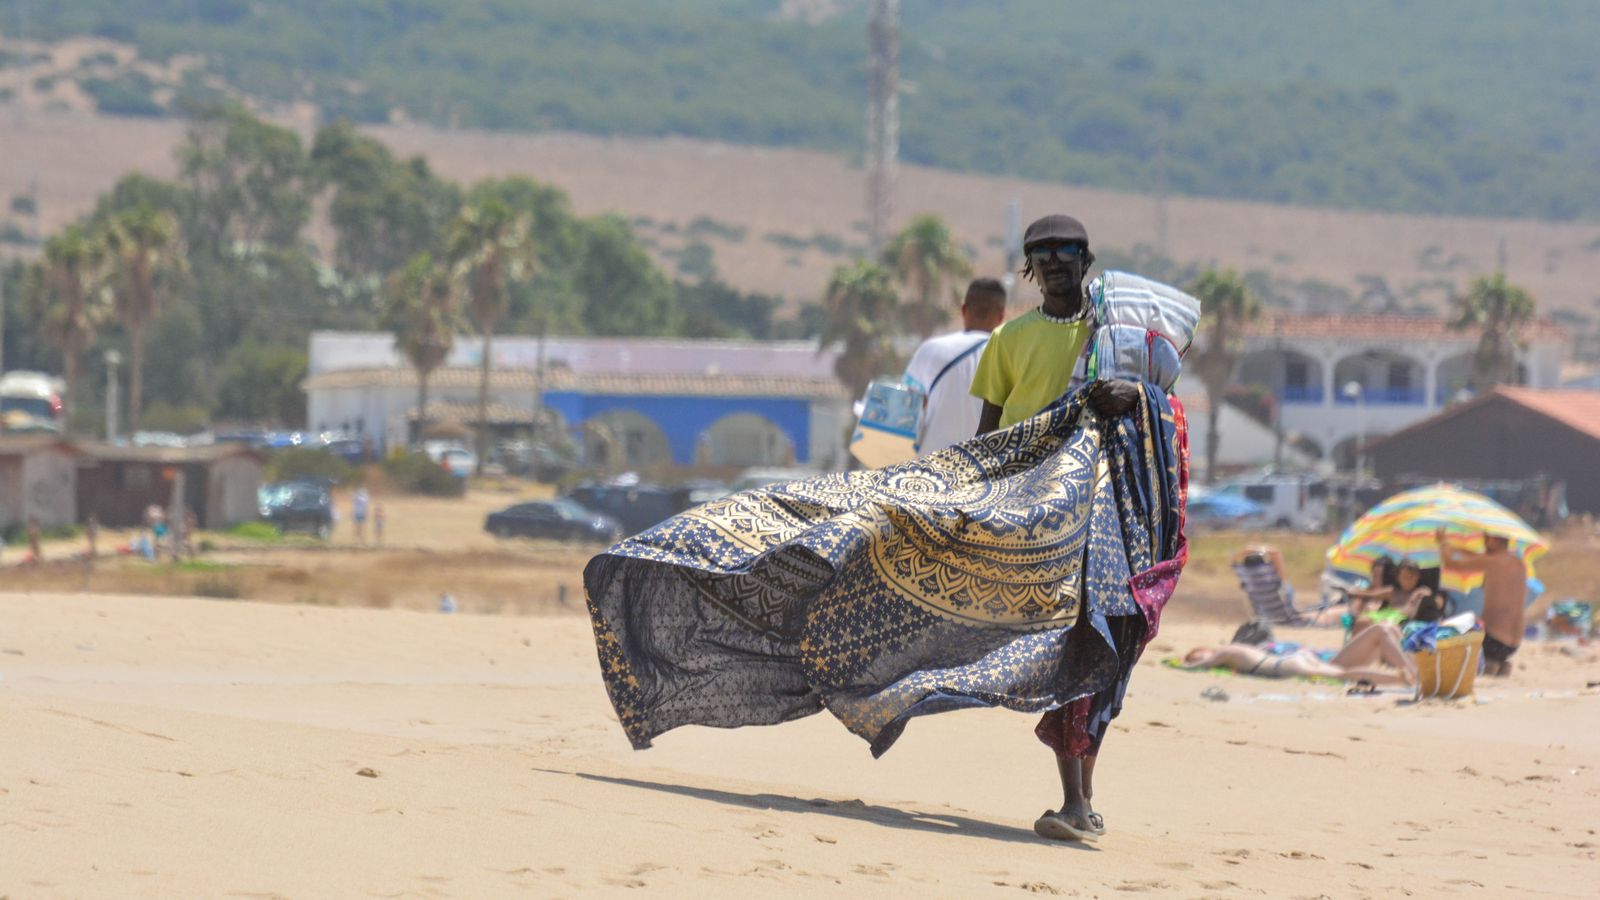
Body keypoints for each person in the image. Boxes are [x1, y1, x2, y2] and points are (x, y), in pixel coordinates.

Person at [971, 213, 1151, 844]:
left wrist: (1136, 395)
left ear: (1086, 257)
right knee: (1071, 646)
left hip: (1105, 516)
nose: (1053, 261)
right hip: (1034, 520)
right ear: (1028, 267)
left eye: (1065, 250)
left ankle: (1082, 799)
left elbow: (1165, 400)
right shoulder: (1009, 341)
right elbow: (988, 441)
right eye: (1039, 253)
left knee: (1104, 648)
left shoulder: (1119, 337)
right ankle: (1076, 802)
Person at [903, 278, 1007, 454]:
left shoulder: (931, 350)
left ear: (964, 310)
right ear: (1001, 316)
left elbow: (907, 410)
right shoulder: (1009, 358)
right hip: (984, 470)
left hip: (931, 468)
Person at [1181, 621, 1417, 686]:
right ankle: (1406, 675)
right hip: (1292, 661)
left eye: (1197, 655)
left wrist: (1184, 666)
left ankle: (1404, 677)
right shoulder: (1237, 651)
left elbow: (1207, 662)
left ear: (1205, 650)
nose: (1198, 659)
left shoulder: (1227, 651)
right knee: (1342, 673)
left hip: (1285, 665)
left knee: (1342, 675)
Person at [1438, 529, 1527, 676]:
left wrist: (1442, 543)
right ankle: (1499, 663)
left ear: (1493, 539)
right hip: (1514, 644)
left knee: (1450, 633)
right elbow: (1479, 557)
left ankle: (1489, 663)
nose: (1483, 541)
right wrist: (1455, 548)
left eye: (1485, 538)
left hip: (1492, 641)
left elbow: (1450, 564)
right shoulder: (1519, 564)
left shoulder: (1490, 562)